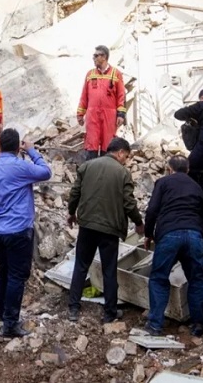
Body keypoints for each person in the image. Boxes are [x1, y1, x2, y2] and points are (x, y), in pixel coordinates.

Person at [0, 128, 52, 337]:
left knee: (3, 272)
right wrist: (32, 151)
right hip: (19, 230)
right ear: (18, 147)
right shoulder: (22, 167)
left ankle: (2, 314)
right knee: (16, 276)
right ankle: (10, 324)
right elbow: (46, 172)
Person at [67, 137, 144, 323]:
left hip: (87, 225)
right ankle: (110, 312)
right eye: (126, 156)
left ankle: (73, 308)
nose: (126, 160)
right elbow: (129, 203)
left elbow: (75, 193)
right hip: (110, 229)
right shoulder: (123, 173)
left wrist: (71, 213)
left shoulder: (87, 166)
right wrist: (138, 222)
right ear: (120, 152)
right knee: (109, 270)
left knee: (81, 265)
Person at [144, 155, 203, 337]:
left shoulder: (163, 183)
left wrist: (148, 234)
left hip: (169, 234)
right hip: (194, 235)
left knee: (159, 278)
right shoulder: (196, 186)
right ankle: (199, 324)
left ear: (169, 169)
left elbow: (152, 210)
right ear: (187, 170)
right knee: (197, 279)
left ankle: (155, 325)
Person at [76, 45, 126, 161]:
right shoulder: (90, 74)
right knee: (91, 143)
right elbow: (84, 96)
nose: (93, 58)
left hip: (109, 116)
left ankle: (105, 169)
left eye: (96, 56)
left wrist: (121, 114)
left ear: (104, 57)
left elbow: (121, 96)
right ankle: (91, 169)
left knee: (108, 144)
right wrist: (80, 113)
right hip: (93, 114)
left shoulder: (116, 74)